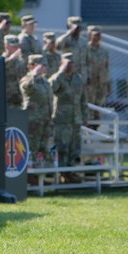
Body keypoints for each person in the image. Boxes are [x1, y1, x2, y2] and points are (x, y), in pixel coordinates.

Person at [49, 52, 87, 180]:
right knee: (62, 147)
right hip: (62, 119)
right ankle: (62, 173)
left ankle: (72, 172)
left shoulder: (79, 79)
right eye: (67, 62)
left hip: (75, 119)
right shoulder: (58, 77)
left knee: (75, 147)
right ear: (61, 63)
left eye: (71, 63)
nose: (70, 65)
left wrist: (85, 116)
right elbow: (51, 88)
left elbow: (83, 99)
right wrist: (60, 72)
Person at [20, 55, 52, 171]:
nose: (44, 67)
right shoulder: (27, 79)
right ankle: (29, 175)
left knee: (43, 148)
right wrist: (34, 73)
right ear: (31, 66)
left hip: (45, 121)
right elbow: (27, 87)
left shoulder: (45, 82)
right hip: (33, 121)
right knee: (31, 148)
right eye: (41, 65)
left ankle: (44, 173)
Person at [84, 26, 110, 120]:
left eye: (99, 35)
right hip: (89, 83)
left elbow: (106, 66)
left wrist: (108, 83)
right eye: (95, 35)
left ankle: (96, 126)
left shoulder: (104, 50)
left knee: (99, 106)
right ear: (89, 35)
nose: (97, 37)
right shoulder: (84, 49)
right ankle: (89, 128)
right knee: (89, 105)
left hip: (101, 83)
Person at [3, 35, 25, 109]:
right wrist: (12, 59)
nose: (16, 49)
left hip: (18, 100)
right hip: (5, 100)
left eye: (17, 46)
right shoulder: (1, 60)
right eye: (14, 47)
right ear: (6, 46)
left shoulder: (20, 62)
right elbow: (3, 67)